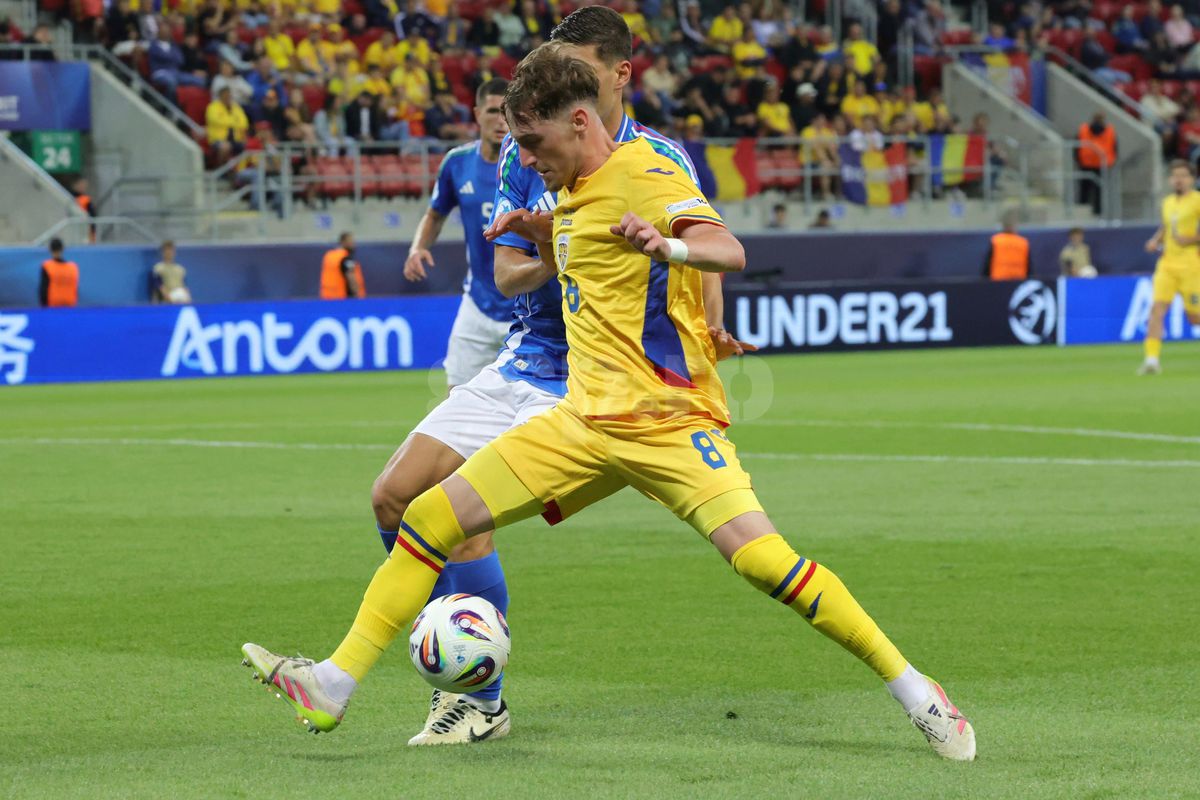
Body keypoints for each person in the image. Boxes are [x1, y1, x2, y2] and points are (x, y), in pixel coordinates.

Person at [241, 46, 975, 764]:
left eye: (535, 142)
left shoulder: (648, 171)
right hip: (580, 420)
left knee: (764, 562)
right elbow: (582, 256)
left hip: (664, 422)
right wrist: (543, 235)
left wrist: (669, 247)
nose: (526, 159)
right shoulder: (566, 189)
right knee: (429, 515)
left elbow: (727, 249)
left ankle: (918, 692)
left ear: (581, 122)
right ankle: (334, 684)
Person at [249, 9, 735, 749]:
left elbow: (700, 246)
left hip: (595, 381)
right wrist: (565, 245)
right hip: (522, 355)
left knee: (460, 519)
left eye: (576, 65)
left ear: (616, 76)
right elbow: (507, 274)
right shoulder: (523, 152)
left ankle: (476, 698)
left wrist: (711, 328)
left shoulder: (660, 158)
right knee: (392, 495)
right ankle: (455, 660)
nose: (558, 78)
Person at [405, 79, 513, 390]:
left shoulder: (532, 165)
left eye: (507, 111)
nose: (500, 120)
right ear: (477, 114)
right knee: (457, 397)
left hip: (525, 308)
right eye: (492, 111)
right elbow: (435, 214)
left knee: (535, 404)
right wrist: (417, 248)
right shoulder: (457, 163)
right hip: (477, 303)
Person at [1138, 160, 1200, 375]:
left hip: (1191, 266)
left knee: (1194, 317)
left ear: (1192, 179)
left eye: (1183, 175)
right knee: (1157, 309)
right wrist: (1155, 240)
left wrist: (1191, 239)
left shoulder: (1197, 201)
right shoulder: (1167, 202)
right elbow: (1165, 226)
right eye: (1175, 176)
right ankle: (1151, 360)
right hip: (1166, 264)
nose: (1178, 180)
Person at [1077, 113, 1117, 216]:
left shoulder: (1084, 129)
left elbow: (1077, 147)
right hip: (1102, 164)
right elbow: (1115, 148)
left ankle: (1081, 210)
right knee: (1099, 190)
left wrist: (1078, 160)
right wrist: (1112, 161)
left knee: (1084, 189)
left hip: (1086, 163)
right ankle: (1098, 211)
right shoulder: (1109, 131)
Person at [983, 212, 1030, 280]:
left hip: (999, 279)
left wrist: (985, 279)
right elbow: (1029, 266)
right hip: (1018, 280)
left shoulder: (996, 240)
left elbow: (987, 264)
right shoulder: (1023, 242)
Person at [319, 232, 365, 299]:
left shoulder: (329, 255)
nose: (353, 244)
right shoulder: (346, 258)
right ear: (343, 242)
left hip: (327, 297)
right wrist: (357, 295)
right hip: (342, 298)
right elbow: (351, 278)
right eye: (351, 242)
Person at [39, 238, 79, 308]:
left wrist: (44, 308)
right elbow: (75, 289)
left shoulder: (47, 266)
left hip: (53, 306)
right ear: (62, 249)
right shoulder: (73, 268)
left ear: (50, 249)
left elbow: (43, 290)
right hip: (70, 306)